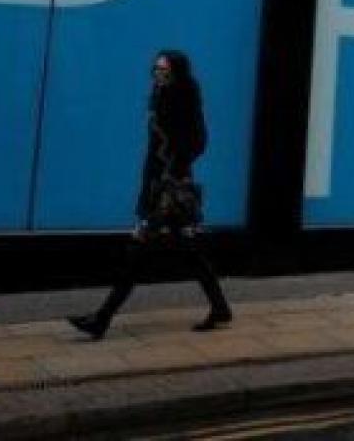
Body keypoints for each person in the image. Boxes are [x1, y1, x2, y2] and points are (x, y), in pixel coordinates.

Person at [68, 50, 232, 340]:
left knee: (138, 252)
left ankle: (102, 319)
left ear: (177, 73)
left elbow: (198, 141)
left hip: (168, 190)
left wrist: (173, 169)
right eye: (156, 69)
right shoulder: (161, 96)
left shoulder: (182, 100)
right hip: (158, 184)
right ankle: (220, 308)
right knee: (189, 252)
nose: (158, 74)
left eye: (164, 70)